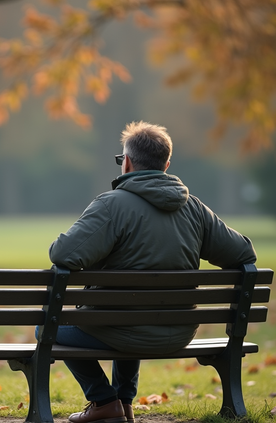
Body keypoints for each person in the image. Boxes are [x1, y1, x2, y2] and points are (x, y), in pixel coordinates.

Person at [48, 121, 257, 423]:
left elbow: (63, 254)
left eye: (122, 160)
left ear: (128, 163)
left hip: (121, 329)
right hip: (179, 333)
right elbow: (243, 253)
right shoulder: (195, 209)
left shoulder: (112, 205)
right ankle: (125, 404)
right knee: (129, 319)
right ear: (166, 164)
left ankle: (104, 401)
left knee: (48, 329)